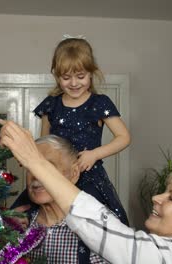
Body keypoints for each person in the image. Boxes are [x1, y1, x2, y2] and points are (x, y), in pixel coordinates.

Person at [0, 120, 172, 264]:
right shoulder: (18, 220)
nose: (156, 197)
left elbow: (109, 235)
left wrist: (34, 160)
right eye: (164, 192)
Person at [12, 37, 130, 226]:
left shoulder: (99, 103)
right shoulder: (51, 105)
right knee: (22, 219)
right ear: (56, 76)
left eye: (80, 76)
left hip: (89, 176)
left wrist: (94, 154)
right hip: (55, 175)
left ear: (92, 73)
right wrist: (28, 155)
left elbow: (124, 137)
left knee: (92, 225)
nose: (74, 83)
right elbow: (44, 143)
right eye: (66, 78)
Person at [23, 134, 108, 263]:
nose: (36, 175)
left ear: (74, 174)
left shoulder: (99, 227)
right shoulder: (18, 226)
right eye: (31, 168)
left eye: (47, 167)